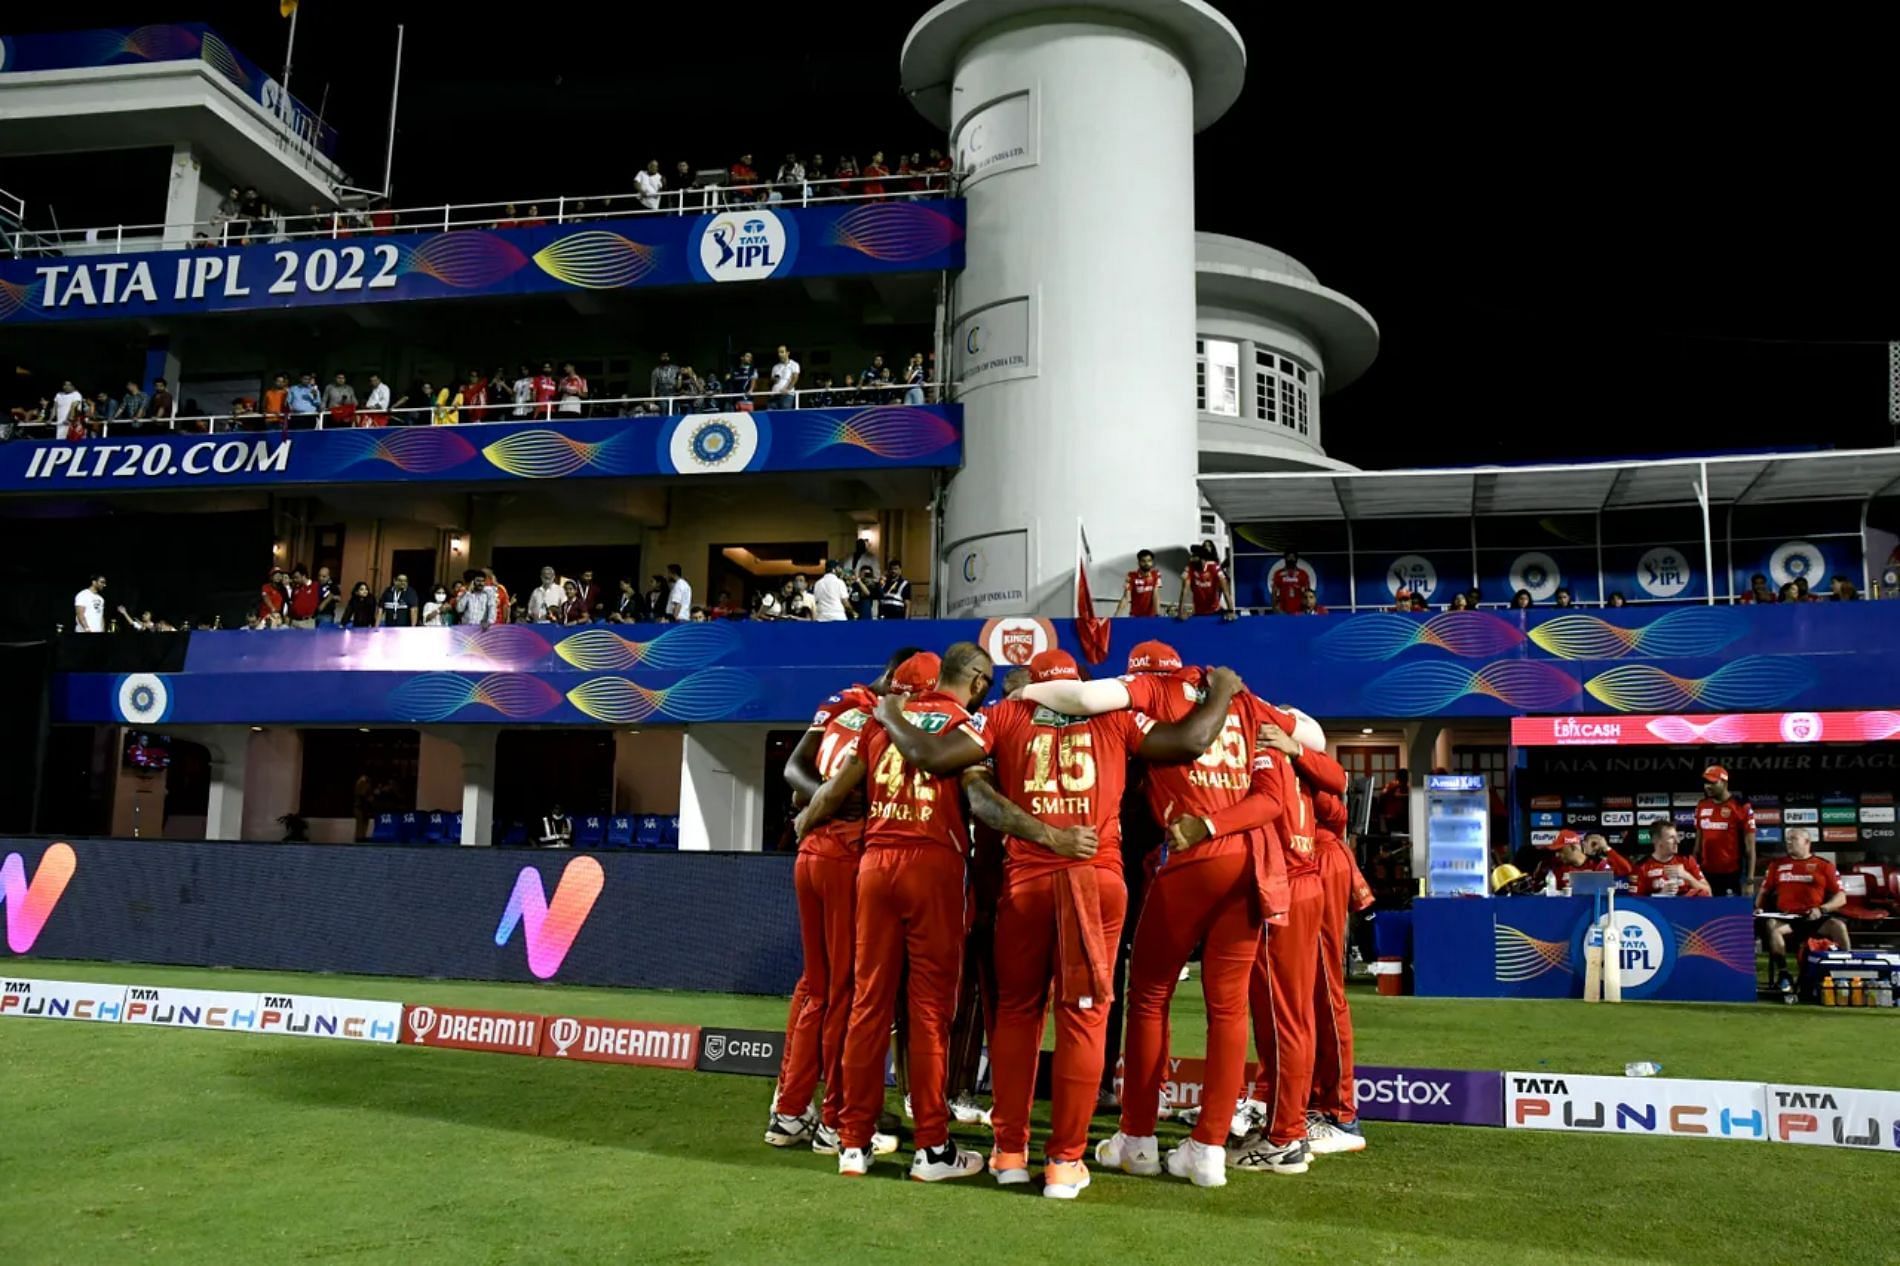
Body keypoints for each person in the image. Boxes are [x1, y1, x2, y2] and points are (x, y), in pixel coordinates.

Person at [1018, 641, 1305, 1185]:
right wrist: (1285, 738)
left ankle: (1139, 1137)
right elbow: (1292, 764)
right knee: (1229, 1008)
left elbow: (1082, 696)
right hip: (1252, 864)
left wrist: (1023, 690)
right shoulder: (1245, 703)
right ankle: (1209, 1148)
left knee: (1148, 995)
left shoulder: (1151, 688)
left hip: (1195, 856)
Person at [966, 649, 1240, 1198]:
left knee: (1018, 1013)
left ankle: (1010, 1152)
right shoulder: (1116, 716)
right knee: (1084, 1018)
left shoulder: (1002, 716)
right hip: (1095, 879)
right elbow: (1189, 741)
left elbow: (976, 794)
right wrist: (1221, 692)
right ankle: (1064, 1163)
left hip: (1025, 882)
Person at [794, 645, 996, 1181]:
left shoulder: (880, 723)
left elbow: (833, 790)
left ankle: (852, 1143)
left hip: (874, 864)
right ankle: (932, 1147)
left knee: (866, 1006)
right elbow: (977, 796)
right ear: (970, 680)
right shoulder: (966, 725)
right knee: (928, 1012)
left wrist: (805, 821)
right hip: (932, 865)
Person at [767, 645, 923, 1156]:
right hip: (848, 853)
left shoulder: (840, 704)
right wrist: (834, 796)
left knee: (815, 987)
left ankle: (789, 1110)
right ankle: (837, 1118)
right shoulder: (889, 720)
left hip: (811, 850)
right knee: (849, 993)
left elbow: (794, 774)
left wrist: (815, 802)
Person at [1757, 827, 1850, 994]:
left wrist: (1822, 909)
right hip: (1788, 918)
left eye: (1794, 839)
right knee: (1772, 925)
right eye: (1787, 839)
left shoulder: (1824, 866)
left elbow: (1841, 897)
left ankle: (1846, 971)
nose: (1789, 842)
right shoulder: (1777, 865)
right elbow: (1764, 891)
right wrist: (1758, 907)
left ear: (1807, 842)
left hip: (1814, 917)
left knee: (1838, 926)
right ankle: (1784, 974)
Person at [1694, 764, 1757, 897]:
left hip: (1732, 875)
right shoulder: (1701, 805)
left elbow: (1750, 849)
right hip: (1706, 875)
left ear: (1724, 782)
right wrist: (1694, 873)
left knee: (1729, 916)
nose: (1707, 786)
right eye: (1706, 783)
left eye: (1712, 782)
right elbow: (1698, 844)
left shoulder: (1741, 807)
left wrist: (1750, 881)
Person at [1629, 824, 1711, 897]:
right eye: (1671, 838)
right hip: (1658, 911)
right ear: (1657, 841)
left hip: (1688, 910)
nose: (1677, 841)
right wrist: (1660, 895)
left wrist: (1687, 876)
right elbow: (1636, 904)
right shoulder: (1641, 867)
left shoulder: (1687, 860)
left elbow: (1709, 892)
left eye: (1677, 837)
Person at [1179, 542, 1236, 621]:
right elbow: (1184, 590)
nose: (1191, 559)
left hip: (1215, 611)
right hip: (1199, 613)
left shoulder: (1214, 567)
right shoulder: (1190, 567)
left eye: (1195, 557)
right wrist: (1181, 611)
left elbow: (1225, 590)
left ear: (1203, 559)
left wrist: (1231, 610)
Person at [1115, 549, 1163, 618]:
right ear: (1139, 562)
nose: (1147, 563)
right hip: (1135, 617)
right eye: (1143, 561)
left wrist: (1158, 615)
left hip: (1151, 617)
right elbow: (1126, 597)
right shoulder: (1131, 576)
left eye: (1149, 561)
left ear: (1152, 562)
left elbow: (1156, 594)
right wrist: (1116, 616)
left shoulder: (1156, 574)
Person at [768, 345, 801, 410]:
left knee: (784, 416)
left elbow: (795, 378)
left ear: (788, 353)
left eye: (782, 352)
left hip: (787, 395)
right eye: (778, 352)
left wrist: (787, 389)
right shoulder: (775, 366)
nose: (780, 354)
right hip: (774, 394)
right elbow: (771, 380)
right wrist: (774, 379)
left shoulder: (794, 364)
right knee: (770, 416)